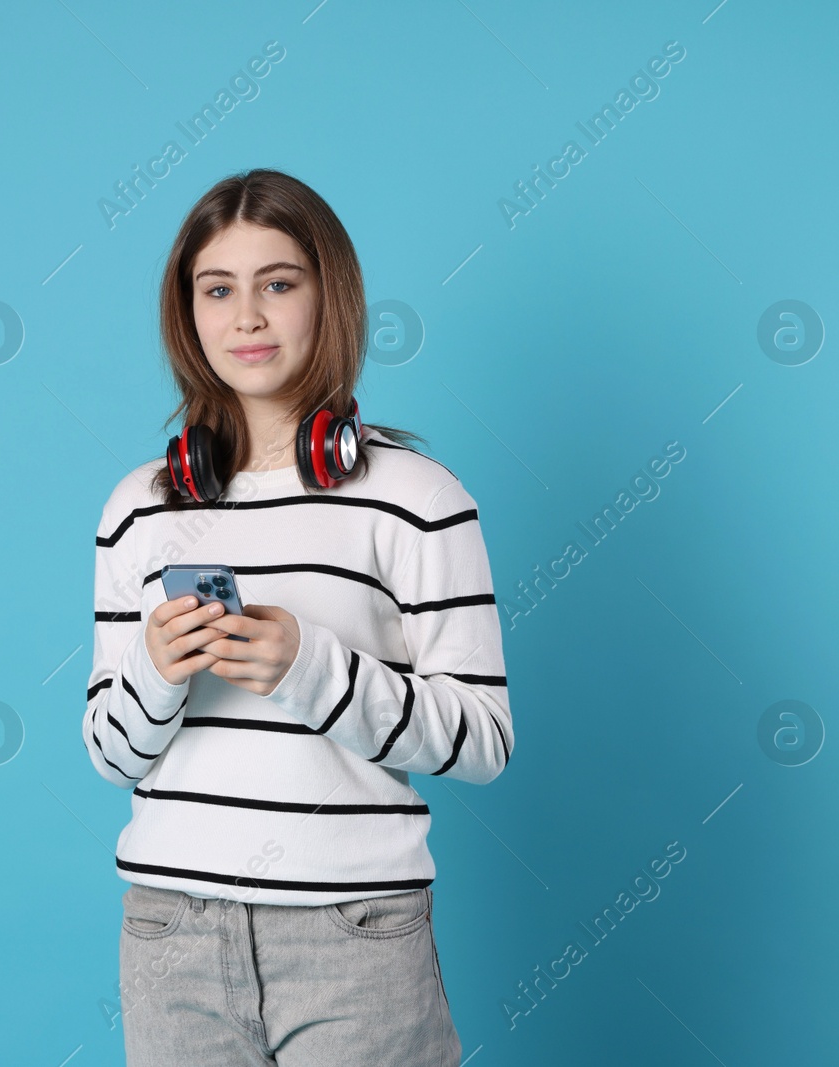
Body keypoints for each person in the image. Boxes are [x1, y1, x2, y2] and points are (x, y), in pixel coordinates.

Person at [81, 168, 513, 1066]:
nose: (246, 317)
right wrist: (158, 672)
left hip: (353, 933)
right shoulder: (139, 507)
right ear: (188, 312)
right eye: (218, 289)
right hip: (170, 933)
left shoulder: (416, 498)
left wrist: (308, 667)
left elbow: (483, 742)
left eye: (278, 283)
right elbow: (111, 752)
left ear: (330, 296)